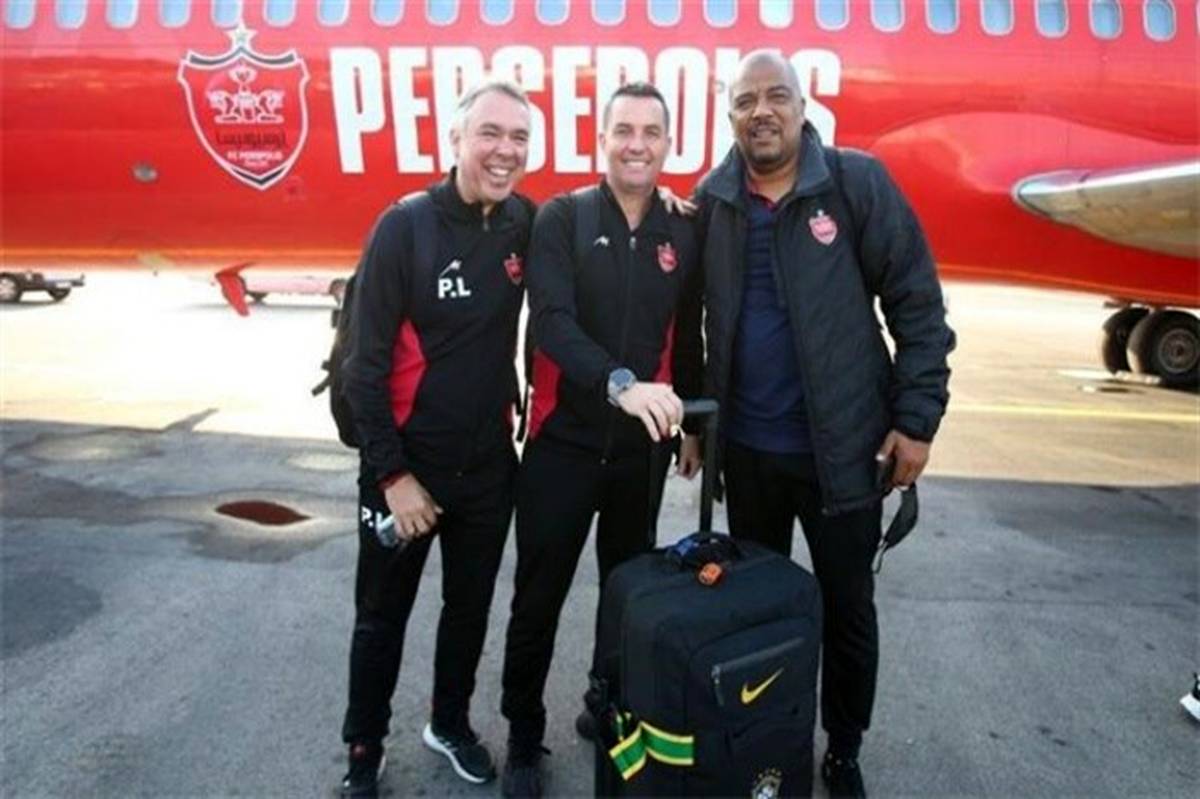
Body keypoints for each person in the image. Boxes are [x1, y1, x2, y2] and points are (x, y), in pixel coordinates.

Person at [690, 51, 955, 799]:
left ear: (803, 108)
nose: (762, 111)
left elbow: (917, 305)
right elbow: (689, 321)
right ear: (729, 115)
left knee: (847, 612)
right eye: (746, 100)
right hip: (749, 454)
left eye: (777, 96)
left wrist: (916, 420)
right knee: (759, 615)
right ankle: (766, 742)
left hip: (843, 454)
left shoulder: (854, 184)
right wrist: (694, 419)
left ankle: (842, 748)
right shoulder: (713, 202)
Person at [498, 82, 703, 798]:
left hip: (641, 451)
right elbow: (552, 321)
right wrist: (621, 384)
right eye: (624, 130)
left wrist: (691, 425)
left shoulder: (683, 228)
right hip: (563, 444)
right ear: (601, 140)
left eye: (651, 131)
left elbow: (689, 331)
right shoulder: (564, 218)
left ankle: (604, 702)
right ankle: (524, 734)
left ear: (668, 143)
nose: (636, 144)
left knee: (626, 596)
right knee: (538, 598)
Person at [337, 79, 534, 799]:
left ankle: (448, 723)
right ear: (455, 140)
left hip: (487, 468)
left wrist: (666, 205)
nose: (505, 150)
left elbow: (592, 230)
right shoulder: (405, 228)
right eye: (490, 133)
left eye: (518, 138)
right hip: (406, 472)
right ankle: (364, 749)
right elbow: (363, 368)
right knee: (380, 618)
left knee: (469, 609)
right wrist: (393, 477)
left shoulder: (523, 223)